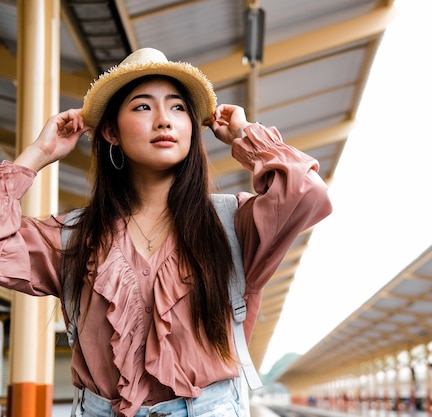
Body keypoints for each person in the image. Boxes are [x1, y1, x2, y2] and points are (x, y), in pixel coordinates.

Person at [0, 48, 332, 417]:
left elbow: (307, 193)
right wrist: (37, 154)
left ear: (193, 126)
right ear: (111, 131)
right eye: (143, 107)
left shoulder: (233, 223)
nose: (164, 120)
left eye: (178, 108)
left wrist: (245, 136)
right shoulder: (74, 238)